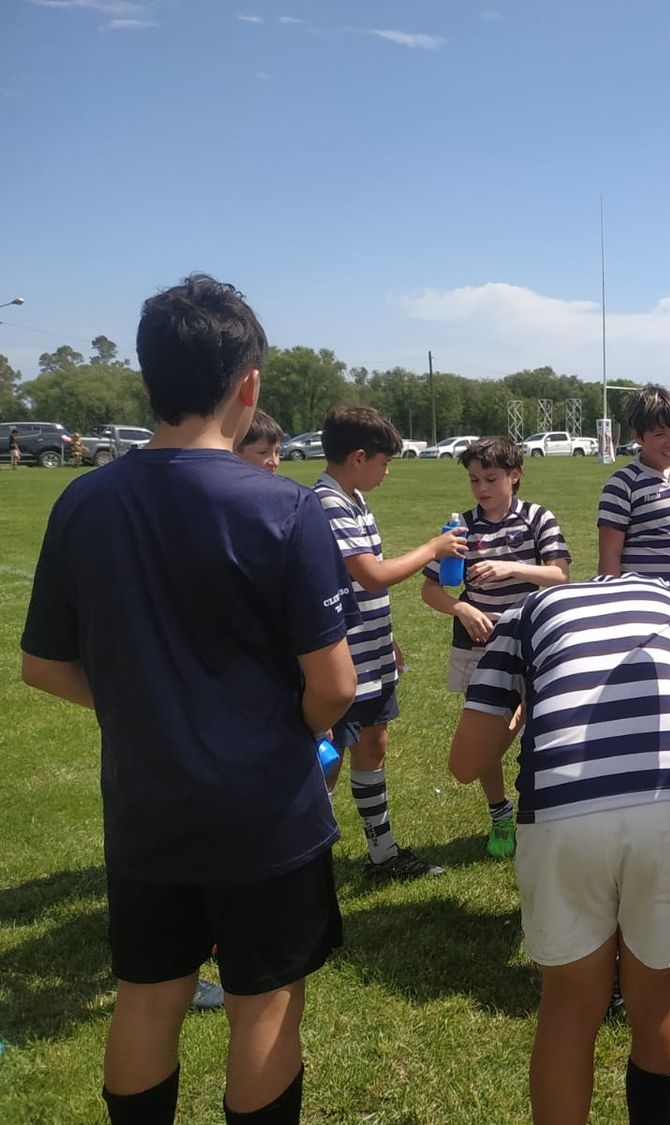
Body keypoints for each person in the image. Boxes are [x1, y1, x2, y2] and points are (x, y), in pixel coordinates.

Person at [20, 274, 357, 1124]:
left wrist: (146, 705)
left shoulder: (83, 500)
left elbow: (42, 664)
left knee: (147, 995)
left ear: (147, 383)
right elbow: (335, 686)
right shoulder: (286, 508)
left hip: (147, 808)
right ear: (248, 386)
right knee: (266, 1002)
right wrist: (293, 731)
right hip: (265, 814)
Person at [448, 577, 670, 1125]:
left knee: (569, 1008)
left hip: (561, 810)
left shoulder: (524, 614)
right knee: (664, 1000)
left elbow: (465, 764)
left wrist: (527, 708)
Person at [313, 403, 465, 878]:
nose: (387, 470)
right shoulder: (327, 501)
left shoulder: (354, 499)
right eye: (384, 460)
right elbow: (371, 576)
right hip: (342, 659)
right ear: (359, 456)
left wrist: (388, 639)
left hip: (370, 653)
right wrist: (432, 550)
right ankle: (303, 854)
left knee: (373, 745)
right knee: (328, 759)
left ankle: (382, 853)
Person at [420, 435, 570, 859]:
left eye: (491, 478)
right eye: (474, 480)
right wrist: (462, 609)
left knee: (545, 731)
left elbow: (560, 575)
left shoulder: (537, 519)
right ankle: (500, 814)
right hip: (480, 648)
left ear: (514, 475)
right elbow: (430, 591)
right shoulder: (460, 528)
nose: (482, 489)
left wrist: (509, 567)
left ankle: (545, 809)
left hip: (536, 644)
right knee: (484, 736)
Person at [597, 385, 670, 583]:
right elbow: (611, 555)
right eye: (660, 434)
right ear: (637, 436)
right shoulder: (622, 484)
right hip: (648, 603)